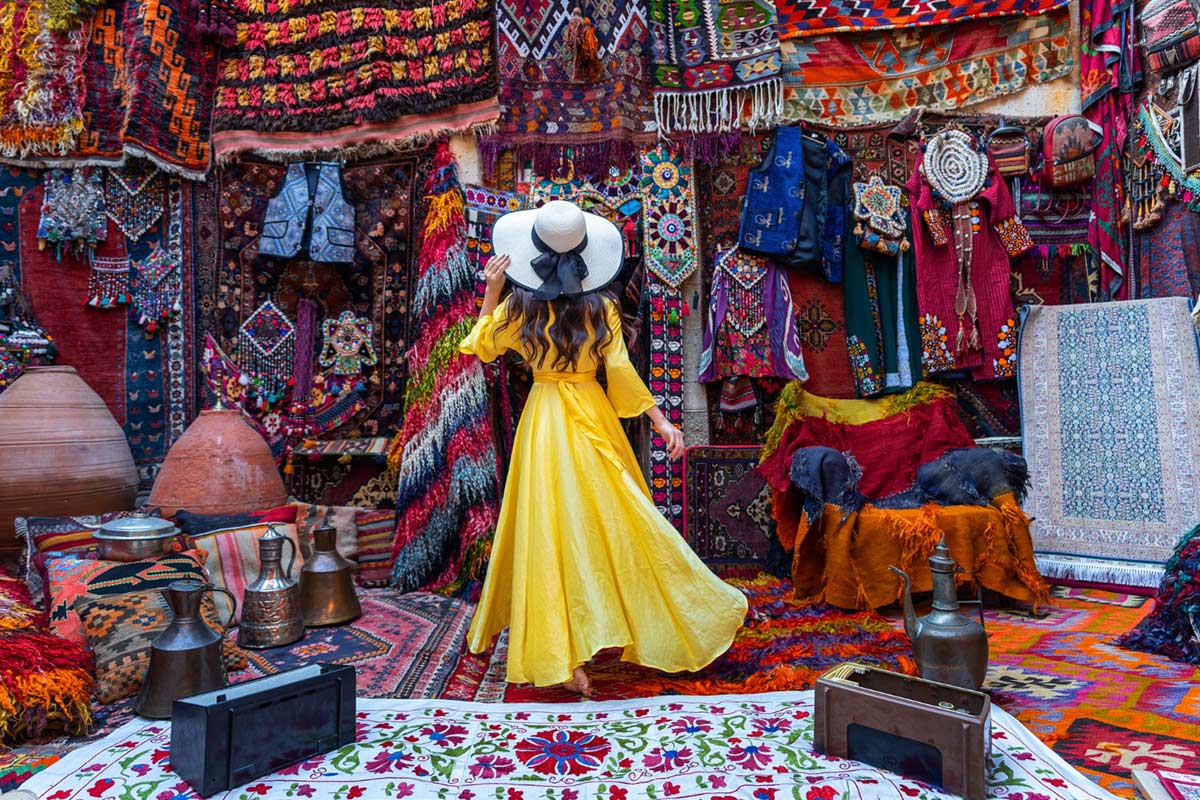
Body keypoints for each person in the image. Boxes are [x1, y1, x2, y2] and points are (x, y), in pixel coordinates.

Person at [460, 200, 748, 697]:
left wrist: (492, 290)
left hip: (545, 421)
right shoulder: (604, 307)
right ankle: (676, 614)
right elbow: (620, 371)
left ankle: (565, 653)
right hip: (591, 414)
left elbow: (481, 345)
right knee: (618, 519)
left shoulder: (517, 306)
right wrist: (660, 422)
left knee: (550, 531)